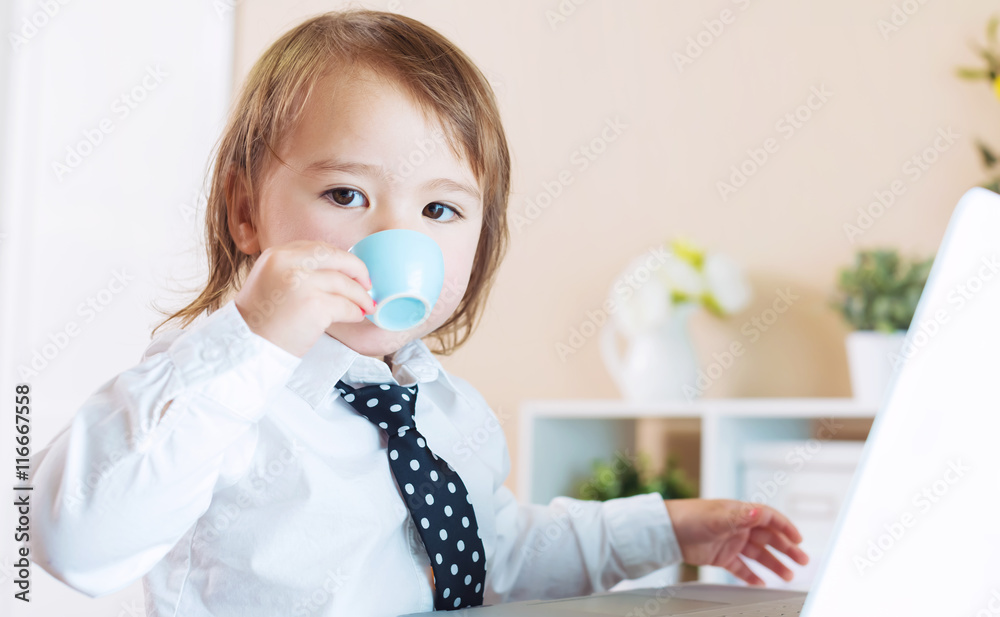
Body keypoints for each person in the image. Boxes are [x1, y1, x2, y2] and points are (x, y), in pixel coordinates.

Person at [29, 8, 808, 616]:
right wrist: (252, 339)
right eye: (346, 195)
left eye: (440, 208)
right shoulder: (217, 389)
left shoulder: (443, 409)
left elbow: (496, 555)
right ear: (245, 211)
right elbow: (77, 538)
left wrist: (665, 528)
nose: (398, 235)